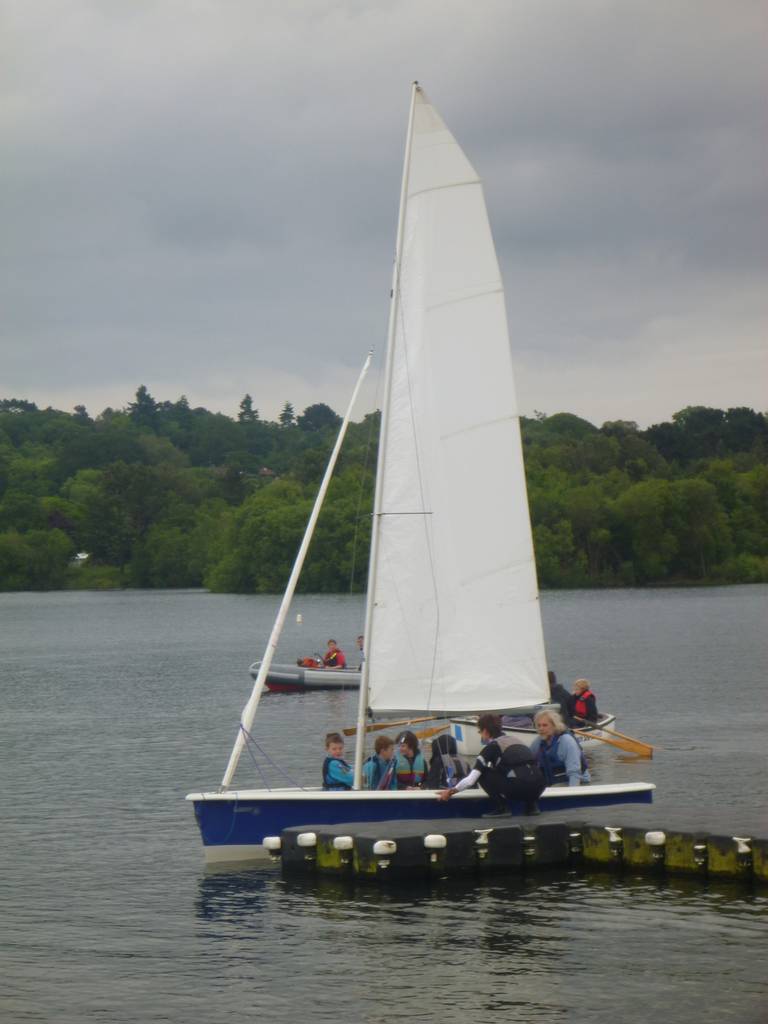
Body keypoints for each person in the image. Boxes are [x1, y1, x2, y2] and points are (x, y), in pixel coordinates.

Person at [437, 713, 545, 816]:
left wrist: (451, 792)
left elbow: (471, 780)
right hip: (539, 788)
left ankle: (502, 808)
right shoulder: (517, 740)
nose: (480, 735)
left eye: (479, 732)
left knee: (482, 773)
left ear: (485, 731)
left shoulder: (491, 747)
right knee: (522, 772)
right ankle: (532, 807)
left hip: (518, 789)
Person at [530, 709, 590, 786]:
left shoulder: (566, 741)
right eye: (538, 725)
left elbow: (574, 773)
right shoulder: (538, 742)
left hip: (577, 782)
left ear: (554, 726)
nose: (541, 729)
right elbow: (528, 763)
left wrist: (572, 794)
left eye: (545, 725)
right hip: (553, 784)